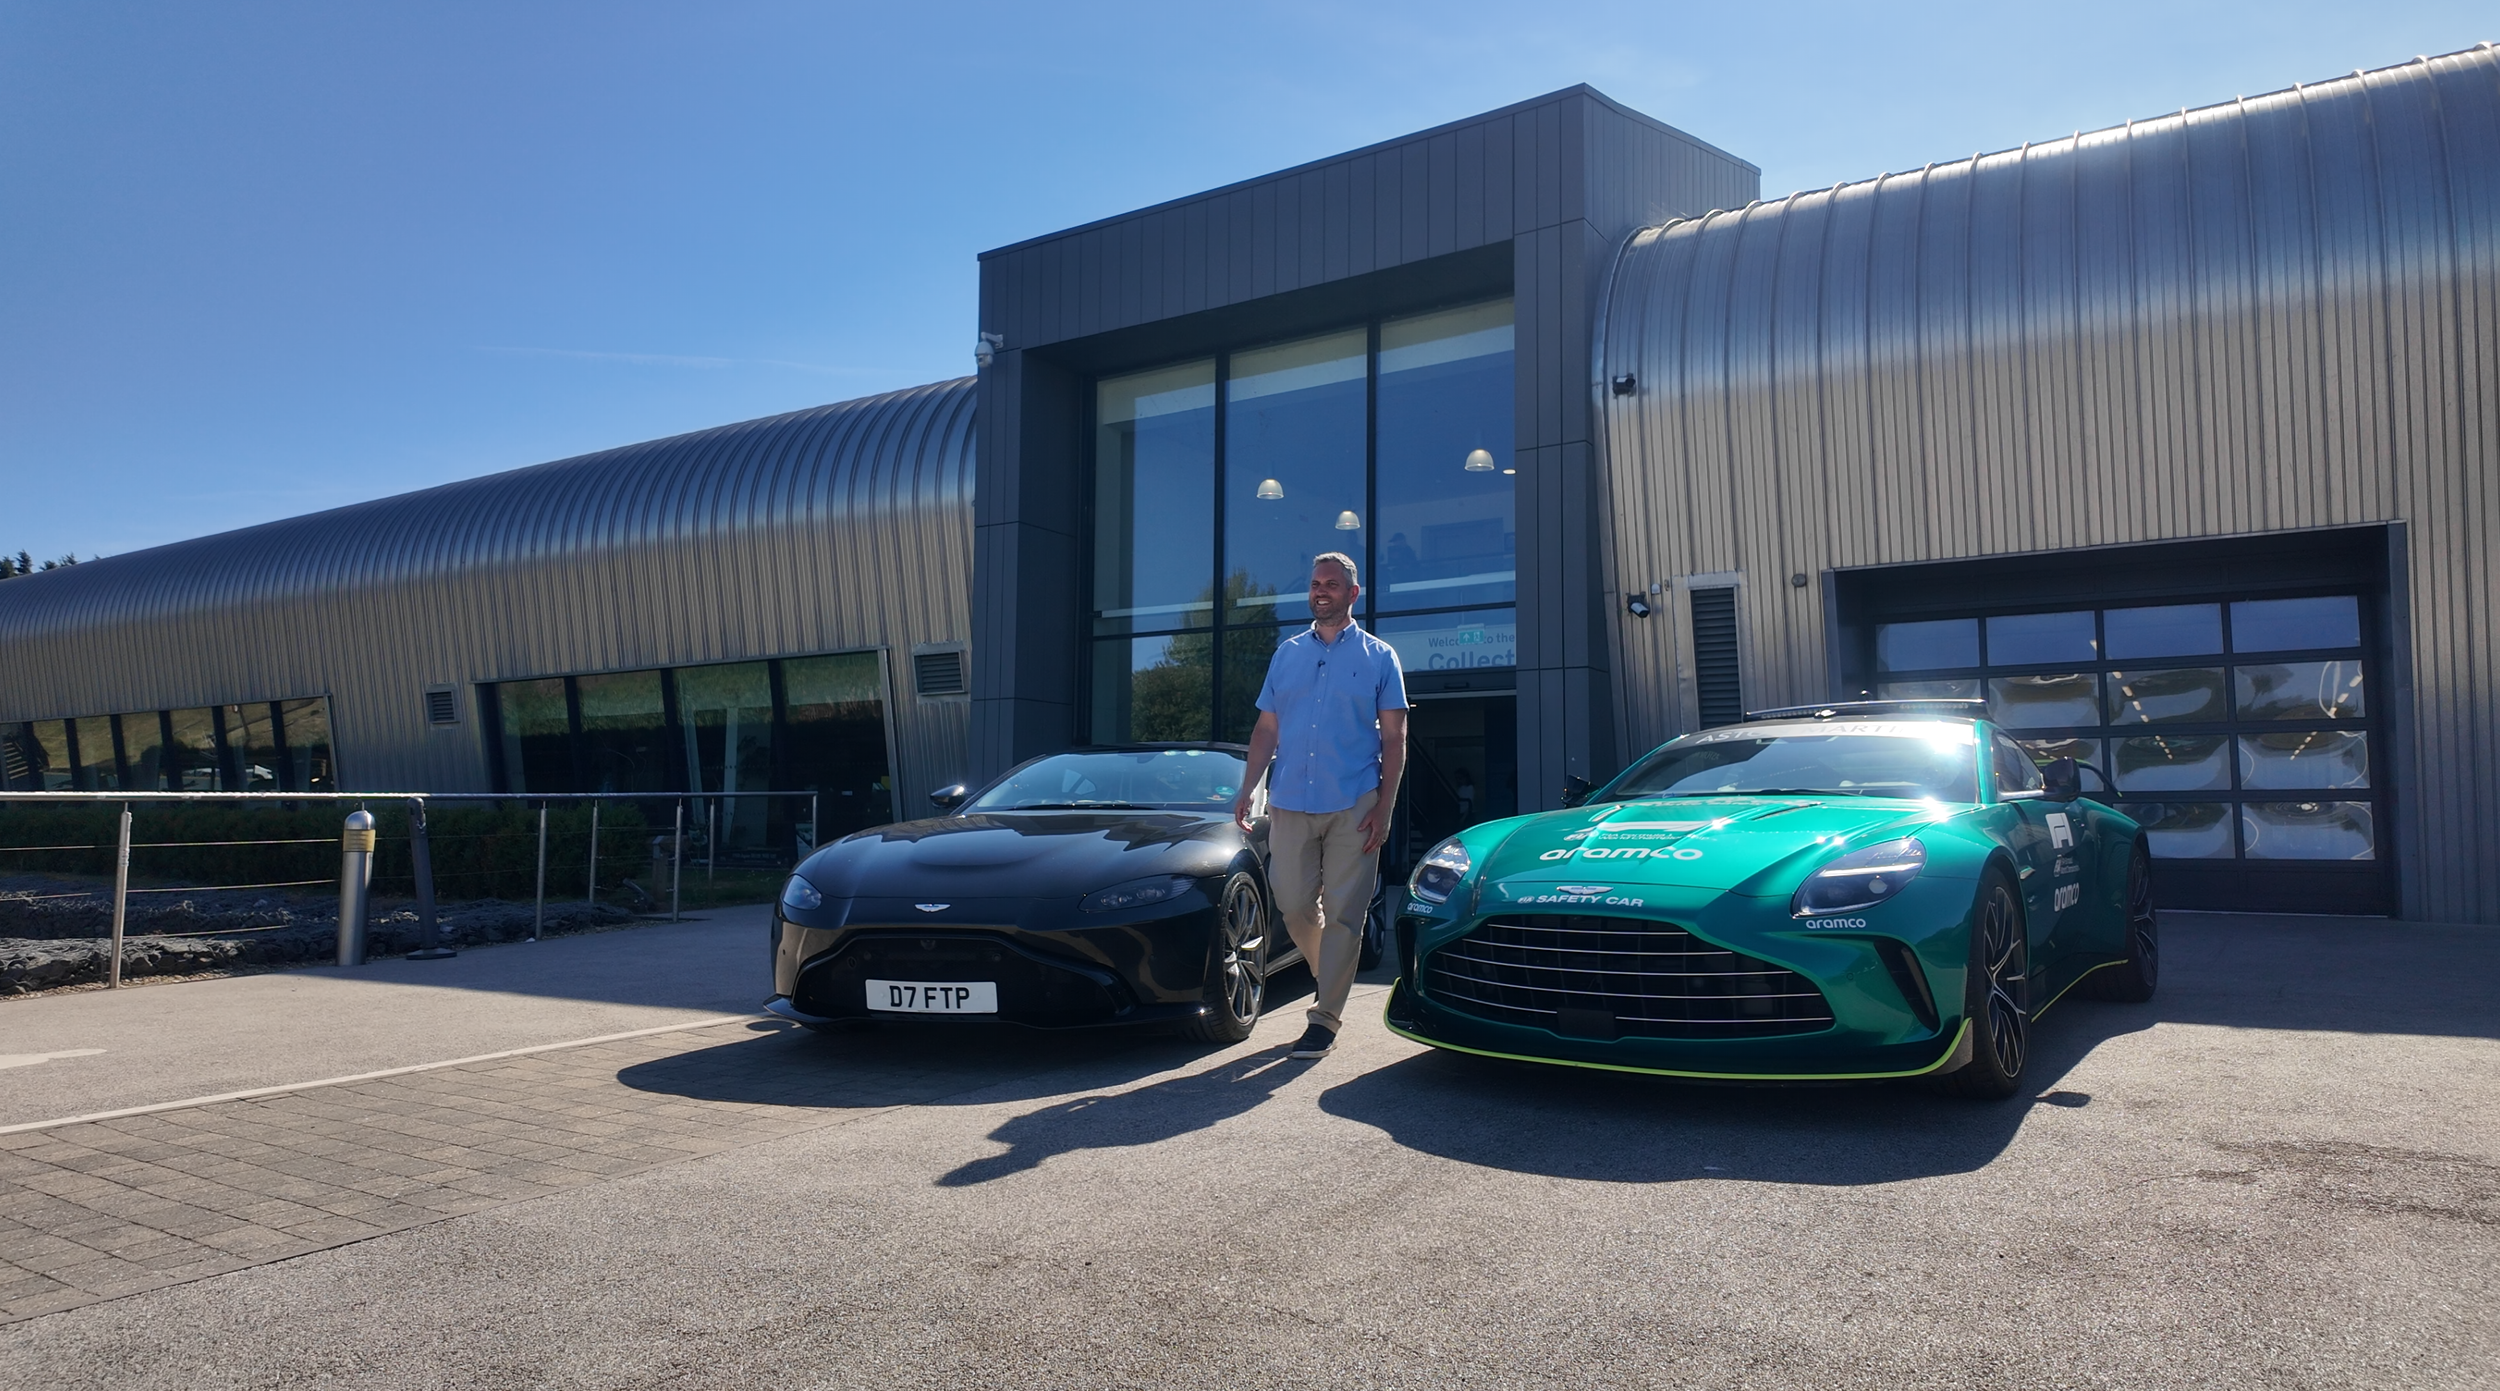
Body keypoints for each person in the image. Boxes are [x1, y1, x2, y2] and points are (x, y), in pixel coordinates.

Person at [1233, 551, 1408, 1059]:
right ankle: (1329, 973)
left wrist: (1386, 807)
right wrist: (1247, 788)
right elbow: (1266, 729)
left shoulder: (1380, 657)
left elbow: (1394, 738)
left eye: (1331, 584)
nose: (1320, 591)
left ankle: (1325, 1017)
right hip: (1290, 801)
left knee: (1345, 915)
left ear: (1352, 593)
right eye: (1315, 584)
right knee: (1291, 904)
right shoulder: (1286, 654)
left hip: (1355, 802)